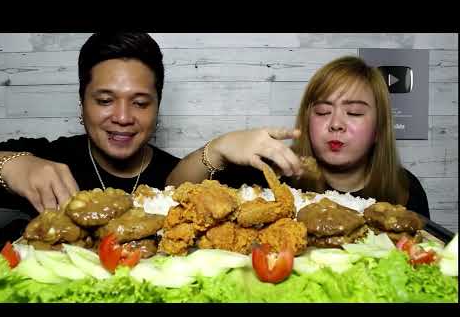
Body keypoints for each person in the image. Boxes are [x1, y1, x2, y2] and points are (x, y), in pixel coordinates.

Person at [166, 56, 430, 219]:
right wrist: (218, 148)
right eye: (323, 111)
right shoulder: (267, 175)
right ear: (306, 120)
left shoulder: (406, 189)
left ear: (378, 130)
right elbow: (171, 191)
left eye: (354, 112)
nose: (336, 124)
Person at [0, 33, 180, 243]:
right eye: (105, 100)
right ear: (82, 104)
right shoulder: (46, 159)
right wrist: (3, 166)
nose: (123, 118)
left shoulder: (179, 178)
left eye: (140, 103)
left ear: (157, 108)